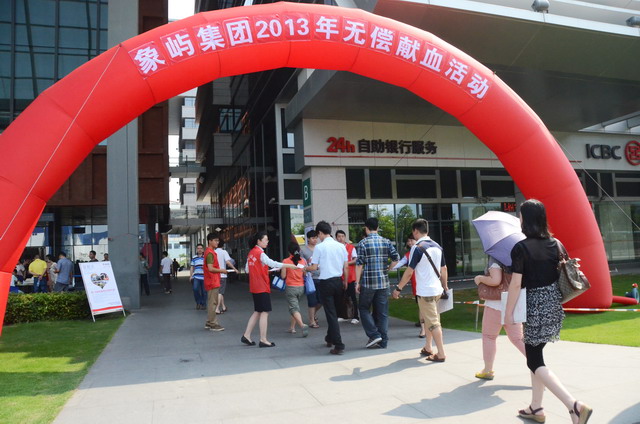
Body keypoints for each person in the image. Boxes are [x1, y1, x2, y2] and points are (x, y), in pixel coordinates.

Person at [505, 199, 592, 424]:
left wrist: (508, 314)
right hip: (554, 305)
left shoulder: (521, 248)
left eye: (520, 215)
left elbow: (515, 284)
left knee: (534, 362)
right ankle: (536, 407)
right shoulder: (556, 244)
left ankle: (574, 405)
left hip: (534, 307)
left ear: (526, 219)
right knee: (536, 355)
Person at [393, 218, 449, 362]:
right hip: (437, 290)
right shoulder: (437, 246)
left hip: (425, 291)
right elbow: (444, 269)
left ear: (416, 231)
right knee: (430, 319)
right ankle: (428, 347)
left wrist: (398, 288)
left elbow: (409, 272)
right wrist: (445, 286)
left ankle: (441, 353)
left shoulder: (417, 248)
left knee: (433, 323)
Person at [242, 231, 298, 347]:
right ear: (259, 241)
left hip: (254, 286)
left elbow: (247, 269)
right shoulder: (260, 253)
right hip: (262, 286)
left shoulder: (251, 253)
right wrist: (289, 265)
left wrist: (261, 269)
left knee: (258, 311)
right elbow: (272, 263)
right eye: (265, 240)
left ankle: (246, 335)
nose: (267, 242)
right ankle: (263, 339)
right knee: (264, 312)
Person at [473, 255, 526, 380]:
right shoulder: (520, 255)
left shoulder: (496, 256)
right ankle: (538, 366)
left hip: (496, 304)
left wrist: (479, 278)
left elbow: (496, 280)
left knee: (489, 337)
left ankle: (488, 370)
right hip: (514, 303)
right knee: (518, 339)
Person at [305, 221, 349, 355]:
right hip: (338, 281)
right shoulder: (341, 246)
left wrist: (304, 268)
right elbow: (346, 266)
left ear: (320, 233)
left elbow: (314, 267)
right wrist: (345, 281)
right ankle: (330, 338)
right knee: (334, 312)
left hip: (326, 283)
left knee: (331, 314)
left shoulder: (319, 247)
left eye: (318, 235)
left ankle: (338, 344)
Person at [354, 217, 399, 349]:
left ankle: (374, 335)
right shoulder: (386, 241)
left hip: (368, 283)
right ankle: (383, 341)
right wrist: (388, 269)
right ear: (378, 228)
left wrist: (357, 282)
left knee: (363, 308)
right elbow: (396, 258)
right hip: (383, 282)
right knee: (382, 313)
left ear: (366, 228)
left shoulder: (363, 243)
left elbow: (359, 264)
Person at [393, 235, 428, 338]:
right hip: (418, 283)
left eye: (411, 240)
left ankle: (426, 328)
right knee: (422, 306)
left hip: (425, 282)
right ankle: (423, 328)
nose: (410, 243)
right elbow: (400, 263)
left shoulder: (423, 251)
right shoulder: (409, 254)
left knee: (426, 306)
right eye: (408, 241)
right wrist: (389, 268)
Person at [281, 242, 309, 337]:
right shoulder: (303, 261)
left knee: (293, 308)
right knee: (295, 307)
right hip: (301, 287)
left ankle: (302, 325)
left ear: (289, 251)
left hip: (291, 288)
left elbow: (283, 276)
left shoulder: (286, 261)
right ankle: (292, 327)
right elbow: (305, 274)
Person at [203, 232, 228, 332]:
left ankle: (209, 322)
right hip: (212, 281)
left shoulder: (209, 252)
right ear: (210, 241)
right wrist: (222, 270)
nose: (217, 242)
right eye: (215, 240)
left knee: (212, 302)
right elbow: (210, 268)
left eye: (218, 240)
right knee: (213, 303)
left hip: (212, 280)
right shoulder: (210, 253)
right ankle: (213, 324)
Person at [336, 229, 360, 324]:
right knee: (340, 297)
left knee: (352, 297)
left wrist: (345, 263)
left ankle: (356, 316)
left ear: (345, 237)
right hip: (339, 276)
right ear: (336, 238)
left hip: (350, 276)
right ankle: (343, 315)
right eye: (339, 236)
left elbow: (355, 260)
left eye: (342, 236)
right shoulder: (335, 248)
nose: (341, 238)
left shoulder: (351, 247)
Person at [300, 230, 322, 328]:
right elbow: (301, 264)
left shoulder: (320, 249)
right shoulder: (303, 250)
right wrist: (305, 274)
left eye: (316, 238)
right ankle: (312, 321)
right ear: (308, 239)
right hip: (310, 279)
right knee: (312, 300)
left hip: (321, 277)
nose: (315, 240)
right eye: (313, 238)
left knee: (321, 300)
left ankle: (313, 315)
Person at [215, 240, 239, 314]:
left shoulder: (214, 252)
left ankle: (223, 306)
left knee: (220, 292)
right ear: (223, 245)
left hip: (215, 275)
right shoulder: (224, 252)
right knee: (220, 292)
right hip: (222, 275)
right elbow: (228, 262)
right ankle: (217, 308)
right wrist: (234, 269)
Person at [190, 244, 206, 310]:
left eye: (201, 248)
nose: (199, 249)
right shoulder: (194, 258)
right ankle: (198, 302)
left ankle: (203, 304)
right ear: (196, 249)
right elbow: (192, 267)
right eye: (198, 248)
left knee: (204, 291)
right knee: (195, 289)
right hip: (196, 276)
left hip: (204, 277)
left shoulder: (205, 257)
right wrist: (191, 276)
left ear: (203, 249)